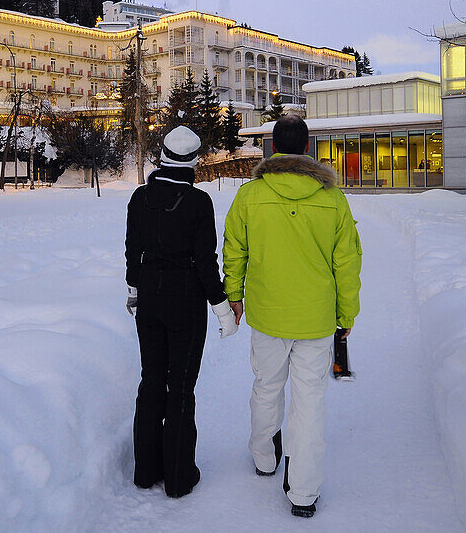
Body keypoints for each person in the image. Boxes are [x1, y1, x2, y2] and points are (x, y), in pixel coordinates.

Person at [222, 115, 362, 518]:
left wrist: (235, 294)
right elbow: (347, 262)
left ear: (272, 147)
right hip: (316, 320)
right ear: (307, 148)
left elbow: (234, 248)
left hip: (267, 315)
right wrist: (346, 312)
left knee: (267, 387)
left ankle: (265, 459)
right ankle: (303, 492)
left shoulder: (250, 195)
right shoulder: (333, 198)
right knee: (310, 402)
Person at [125, 125, 239, 498]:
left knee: (152, 380)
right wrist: (222, 308)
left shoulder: (140, 198)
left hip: (150, 303)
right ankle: (178, 477)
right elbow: (206, 262)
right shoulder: (198, 202)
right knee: (181, 388)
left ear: (163, 157)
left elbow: (132, 251)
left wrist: (134, 291)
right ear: (192, 161)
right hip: (185, 303)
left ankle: (145, 471)